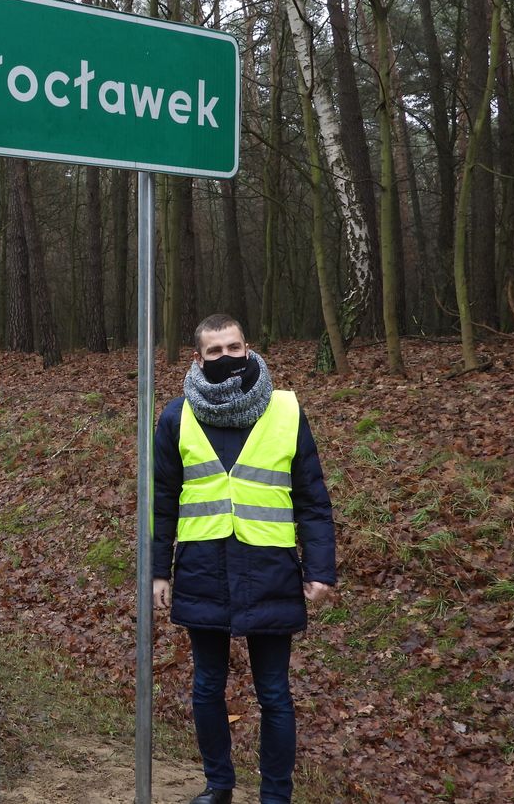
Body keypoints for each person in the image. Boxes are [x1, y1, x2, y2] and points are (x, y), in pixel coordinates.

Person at [152, 314, 336, 804]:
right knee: (207, 687)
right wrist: (156, 570)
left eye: (233, 347)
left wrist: (320, 568)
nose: (226, 358)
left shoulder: (286, 412)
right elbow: (163, 500)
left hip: (270, 572)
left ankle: (276, 796)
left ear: (249, 348)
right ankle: (219, 787)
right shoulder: (175, 416)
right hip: (202, 570)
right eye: (214, 352)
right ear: (198, 358)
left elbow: (313, 499)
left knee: (274, 693)